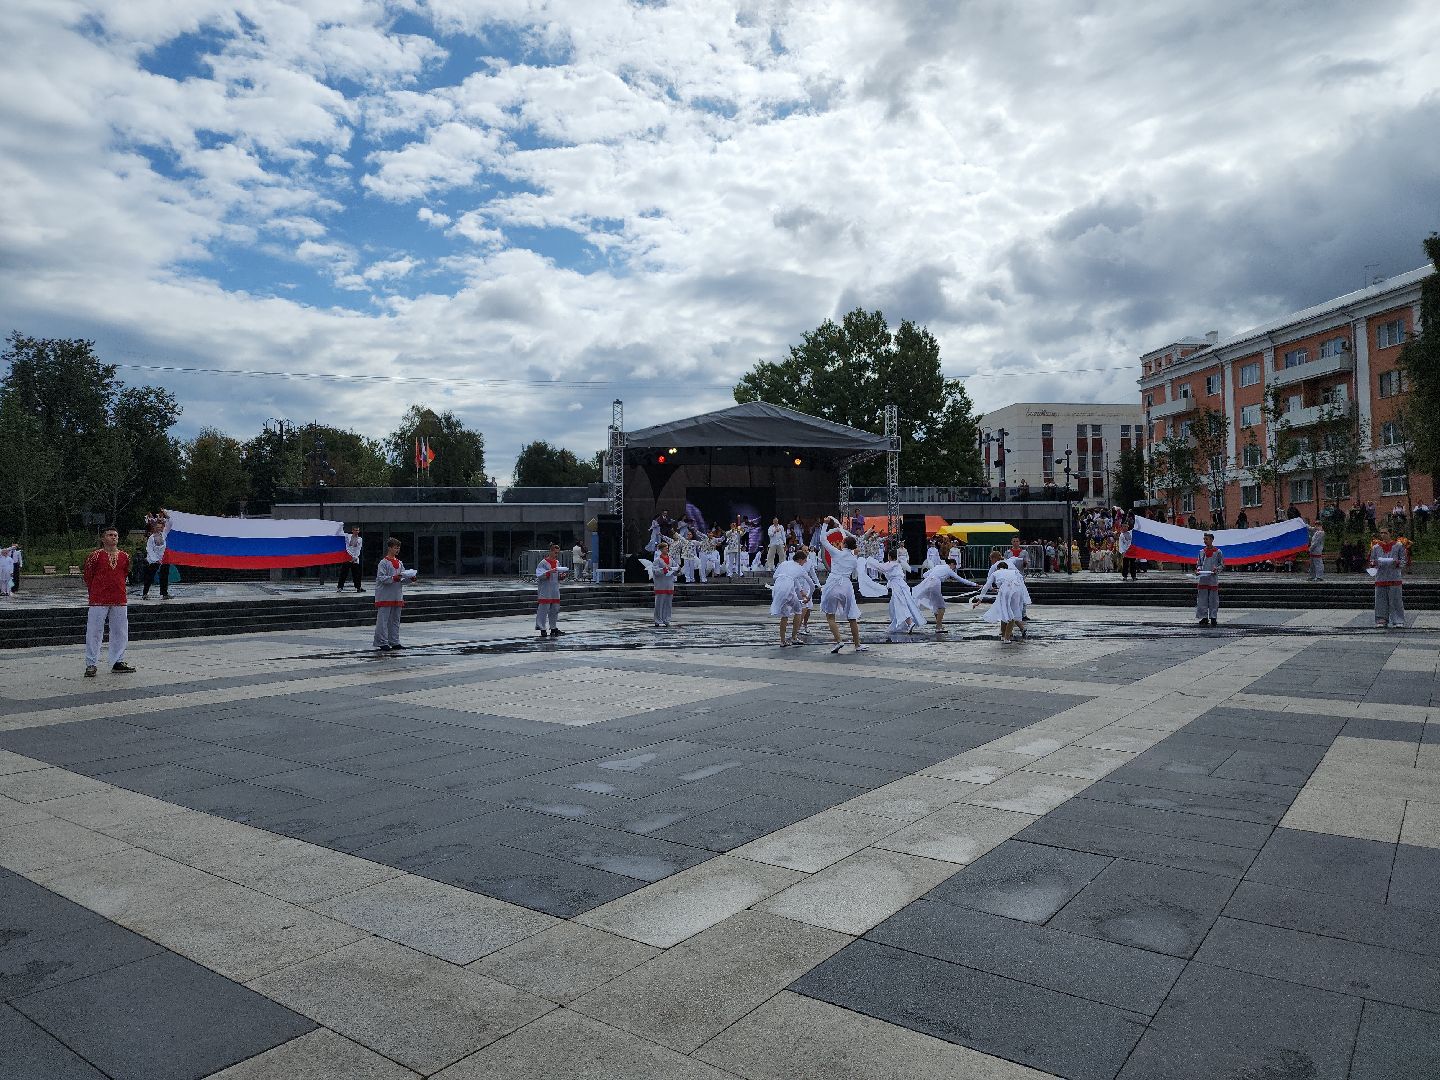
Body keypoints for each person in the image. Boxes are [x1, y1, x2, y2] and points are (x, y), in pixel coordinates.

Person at [817, 516, 873, 654]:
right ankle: (857, 644)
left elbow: (823, 540)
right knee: (852, 617)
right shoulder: (854, 560)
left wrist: (825, 525)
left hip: (833, 583)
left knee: (830, 616)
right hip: (846, 586)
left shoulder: (837, 553)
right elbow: (854, 572)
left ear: (844, 544)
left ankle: (839, 641)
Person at [82, 527, 133, 677]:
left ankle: (118, 661)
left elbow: (124, 573)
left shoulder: (124, 556)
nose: (113, 537)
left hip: (119, 597)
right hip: (99, 598)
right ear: (103, 539)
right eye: (110, 535)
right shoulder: (95, 556)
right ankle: (91, 663)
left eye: (115, 535)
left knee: (120, 631)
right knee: (94, 631)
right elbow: (88, 575)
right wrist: (95, 591)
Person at [868, 543, 925, 635]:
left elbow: (882, 568)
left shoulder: (893, 564)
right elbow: (882, 567)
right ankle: (901, 624)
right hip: (899, 586)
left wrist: (869, 560)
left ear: (889, 556)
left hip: (898, 586)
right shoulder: (892, 564)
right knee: (894, 606)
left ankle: (909, 623)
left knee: (900, 605)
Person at [373, 537, 415, 651]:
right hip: (385, 596)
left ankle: (395, 641)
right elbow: (381, 578)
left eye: (398, 548)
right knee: (383, 620)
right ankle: (381, 642)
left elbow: (403, 578)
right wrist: (394, 578)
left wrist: (410, 579)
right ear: (390, 548)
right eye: (395, 548)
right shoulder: (383, 562)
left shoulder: (400, 563)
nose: (397, 550)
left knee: (395, 620)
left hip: (397, 595)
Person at [913, 559, 976, 634]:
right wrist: (975, 584)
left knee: (935, 606)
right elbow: (960, 579)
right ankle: (938, 627)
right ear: (952, 564)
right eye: (954, 567)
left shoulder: (938, 566)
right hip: (935, 583)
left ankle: (939, 625)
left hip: (926, 583)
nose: (954, 569)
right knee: (941, 606)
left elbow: (925, 575)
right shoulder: (948, 569)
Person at [978, 548, 1026, 643]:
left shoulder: (995, 570)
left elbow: (987, 585)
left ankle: (1006, 637)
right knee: (1010, 612)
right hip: (1017, 590)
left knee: (1007, 613)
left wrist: (980, 599)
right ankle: (1005, 635)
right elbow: (1015, 560)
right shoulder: (1011, 568)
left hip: (1005, 590)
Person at [770, 547, 811, 647]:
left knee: (785, 615)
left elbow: (775, 576)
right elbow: (811, 583)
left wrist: (801, 591)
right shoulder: (800, 568)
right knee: (798, 610)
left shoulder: (784, 563)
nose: (805, 563)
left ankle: (783, 640)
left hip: (777, 587)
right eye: (804, 561)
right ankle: (794, 637)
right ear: (800, 560)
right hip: (787, 588)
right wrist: (808, 596)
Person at [1370, 527, 1407, 628]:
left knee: (1396, 600)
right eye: (1381, 533)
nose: (1383, 535)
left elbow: (1404, 560)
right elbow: (1371, 560)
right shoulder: (1376, 547)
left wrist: (1397, 562)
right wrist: (1374, 563)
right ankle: (1381, 619)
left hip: (1394, 577)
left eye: (1385, 533)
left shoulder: (1399, 546)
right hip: (1380, 577)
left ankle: (1398, 620)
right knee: (1380, 600)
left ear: (1390, 533)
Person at [535, 542, 569, 638]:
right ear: (550, 551)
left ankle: (553, 627)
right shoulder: (543, 562)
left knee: (555, 609)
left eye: (557, 553)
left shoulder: (557, 563)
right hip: (545, 589)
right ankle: (542, 628)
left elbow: (558, 576)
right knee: (543, 609)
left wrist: (562, 576)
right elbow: (539, 575)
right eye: (555, 552)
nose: (556, 555)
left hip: (554, 589)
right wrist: (549, 572)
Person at [1195, 531, 1224, 626]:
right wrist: (1198, 570)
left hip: (1212, 578)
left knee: (1213, 599)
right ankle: (1203, 617)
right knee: (1202, 599)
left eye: (1206, 539)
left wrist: (1217, 569)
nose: (1205, 541)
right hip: (1203, 578)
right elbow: (1199, 564)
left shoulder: (1218, 552)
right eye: (1204, 539)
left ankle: (1213, 617)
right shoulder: (1201, 552)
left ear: (1211, 540)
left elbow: (1221, 565)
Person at [651, 541, 678, 627]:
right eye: (666, 548)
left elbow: (676, 568)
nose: (667, 549)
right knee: (659, 603)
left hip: (669, 584)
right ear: (661, 549)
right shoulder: (657, 560)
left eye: (667, 548)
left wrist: (676, 570)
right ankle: (657, 620)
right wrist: (664, 570)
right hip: (661, 585)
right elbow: (655, 571)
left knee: (668, 604)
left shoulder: (671, 559)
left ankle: (667, 619)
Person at [141, 520, 170, 600]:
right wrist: (156, 559)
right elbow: (149, 549)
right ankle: (145, 593)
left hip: (164, 559)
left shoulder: (164, 535)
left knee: (164, 576)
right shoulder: (151, 538)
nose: (159, 529)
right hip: (153, 560)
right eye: (157, 527)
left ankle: (164, 593)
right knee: (149, 576)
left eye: (160, 527)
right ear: (154, 528)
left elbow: (170, 524)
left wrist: (167, 517)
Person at [338, 526, 364, 593]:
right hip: (347, 557)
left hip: (355, 558)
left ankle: (358, 587)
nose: (357, 532)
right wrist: (339, 526)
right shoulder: (348, 536)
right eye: (355, 530)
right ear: (352, 530)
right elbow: (340, 533)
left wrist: (355, 557)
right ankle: (340, 587)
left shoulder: (360, 539)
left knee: (357, 574)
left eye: (358, 530)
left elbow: (358, 549)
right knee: (343, 573)